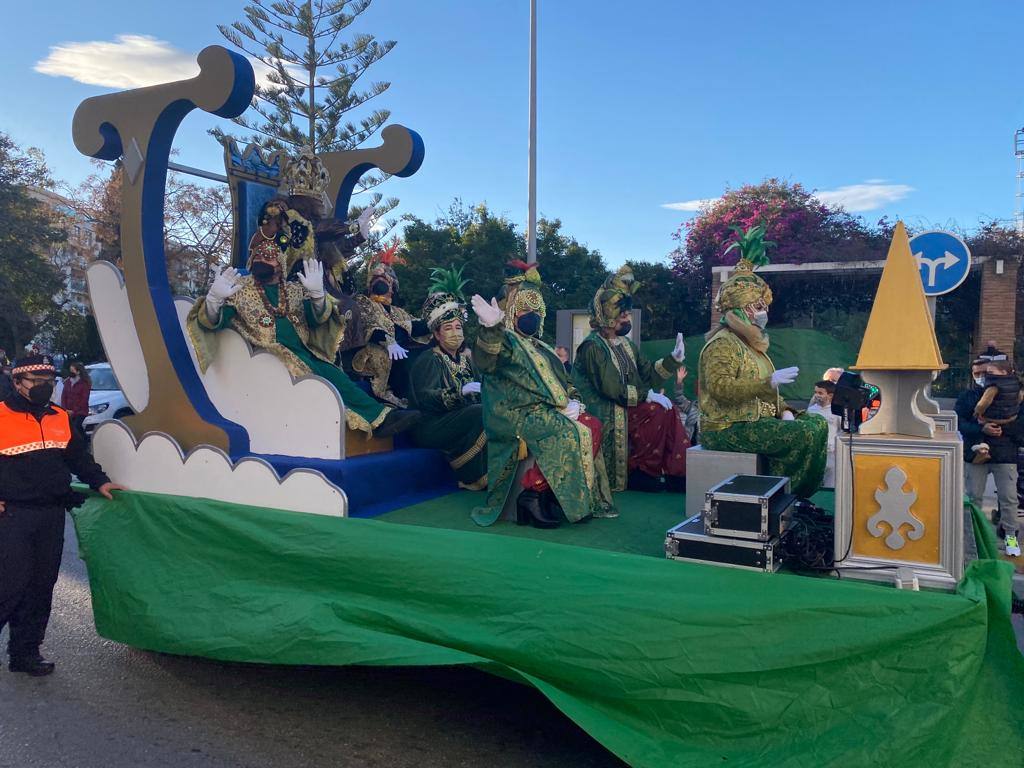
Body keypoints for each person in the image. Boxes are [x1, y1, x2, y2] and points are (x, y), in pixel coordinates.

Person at [186, 195, 420, 439]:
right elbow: (211, 322)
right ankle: (379, 418)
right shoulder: (240, 288)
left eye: (269, 256)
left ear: (280, 264)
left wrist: (318, 296)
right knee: (325, 375)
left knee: (334, 371)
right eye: (258, 256)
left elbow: (318, 320)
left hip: (306, 353)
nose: (262, 259)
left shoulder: (294, 290)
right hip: (269, 356)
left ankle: (381, 417)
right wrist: (214, 300)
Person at [0, 354, 125, 676]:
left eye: (49, 382)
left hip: (51, 514)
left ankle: (25, 653)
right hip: (11, 515)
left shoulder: (59, 417)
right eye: (37, 383)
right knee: (9, 586)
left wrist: (100, 481)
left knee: (41, 587)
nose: (46, 388)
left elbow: (77, 458)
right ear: (17, 383)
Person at [470, 260, 615, 528]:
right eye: (524, 309)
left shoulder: (543, 347)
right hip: (513, 414)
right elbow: (486, 360)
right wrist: (491, 328)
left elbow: (566, 383)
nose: (531, 315)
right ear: (513, 312)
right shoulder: (507, 340)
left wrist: (574, 402)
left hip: (543, 410)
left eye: (536, 310)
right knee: (567, 431)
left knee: (591, 424)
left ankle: (548, 493)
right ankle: (533, 494)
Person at [697, 232, 827, 498]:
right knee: (804, 435)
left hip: (751, 420)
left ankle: (786, 495)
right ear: (742, 309)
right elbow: (720, 388)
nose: (762, 312)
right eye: (757, 305)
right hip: (725, 428)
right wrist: (765, 383)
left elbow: (768, 392)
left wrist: (786, 410)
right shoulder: (723, 344)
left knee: (818, 424)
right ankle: (788, 496)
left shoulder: (751, 345)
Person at [572, 265, 689, 492]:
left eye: (627, 314)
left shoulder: (627, 345)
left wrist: (673, 359)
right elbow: (611, 388)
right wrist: (648, 396)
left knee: (669, 410)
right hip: (606, 409)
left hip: (626, 407)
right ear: (608, 316)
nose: (627, 318)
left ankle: (676, 473)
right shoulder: (592, 347)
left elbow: (648, 374)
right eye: (622, 314)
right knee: (656, 411)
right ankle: (641, 472)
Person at [408, 266, 488, 490]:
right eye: (449, 328)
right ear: (436, 333)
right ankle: (469, 474)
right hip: (431, 425)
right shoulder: (428, 360)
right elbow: (426, 398)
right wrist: (459, 393)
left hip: (459, 419)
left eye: (458, 327)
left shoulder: (467, 357)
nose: (456, 333)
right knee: (480, 412)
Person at [350, 241, 432, 407]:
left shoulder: (398, 311)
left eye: (384, 279)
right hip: (373, 357)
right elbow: (367, 324)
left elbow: (418, 326)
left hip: (399, 362)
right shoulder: (363, 301)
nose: (379, 282)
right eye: (375, 278)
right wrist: (388, 339)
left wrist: (441, 316)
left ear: (393, 285)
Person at [957, 350, 1022, 556]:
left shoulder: (1015, 396)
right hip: (976, 453)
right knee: (973, 497)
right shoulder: (969, 396)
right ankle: (973, 536)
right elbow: (961, 424)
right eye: (977, 373)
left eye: (985, 372)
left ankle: (1010, 537)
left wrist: (1003, 429)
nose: (982, 377)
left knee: (1009, 498)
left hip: (1005, 453)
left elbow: (1021, 425)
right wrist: (980, 430)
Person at [806, 380, 841, 488]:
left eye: (820, 393)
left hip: (830, 452)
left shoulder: (837, 411)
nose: (816, 395)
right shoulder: (811, 410)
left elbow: (841, 431)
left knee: (830, 482)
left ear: (830, 395)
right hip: (814, 452)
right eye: (815, 392)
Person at [59, 361, 92, 436]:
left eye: (72, 371)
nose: (70, 372)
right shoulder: (67, 382)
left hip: (80, 411)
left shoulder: (84, 383)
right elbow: (64, 396)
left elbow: (84, 399)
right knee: (70, 428)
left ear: (78, 372)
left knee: (76, 426)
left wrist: (74, 410)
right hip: (68, 411)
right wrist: (65, 409)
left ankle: (85, 441)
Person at [672, 365, 700, 447]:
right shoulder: (692, 407)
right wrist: (679, 381)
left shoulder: (712, 411)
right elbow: (679, 397)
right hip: (687, 445)